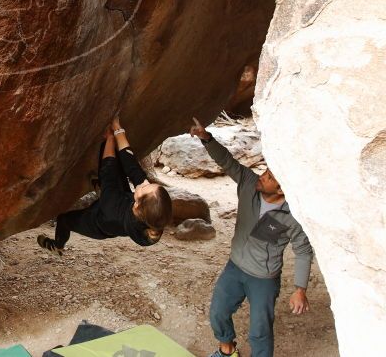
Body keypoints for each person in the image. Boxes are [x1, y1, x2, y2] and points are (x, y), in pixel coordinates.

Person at [189, 117, 313, 357]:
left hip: (263, 279)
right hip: (235, 267)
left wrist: (300, 289)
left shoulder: (293, 215)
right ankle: (227, 351)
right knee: (218, 313)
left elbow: (303, 250)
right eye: (264, 172)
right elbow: (228, 162)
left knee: (260, 330)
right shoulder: (249, 184)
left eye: (268, 177)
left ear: (281, 190)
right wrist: (206, 138)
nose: (261, 177)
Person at [37, 115, 173, 255]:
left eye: (144, 187)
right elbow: (133, 167)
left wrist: (110, 138)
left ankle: (57, 245)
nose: (145, 183)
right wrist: (118, 129)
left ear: (136, 205)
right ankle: (101, 189)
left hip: (98, 223)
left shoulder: (112, 208)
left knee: (64, 220)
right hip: (122, 202)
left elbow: (108, 170)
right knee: (115, 162)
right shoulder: (155, 217)